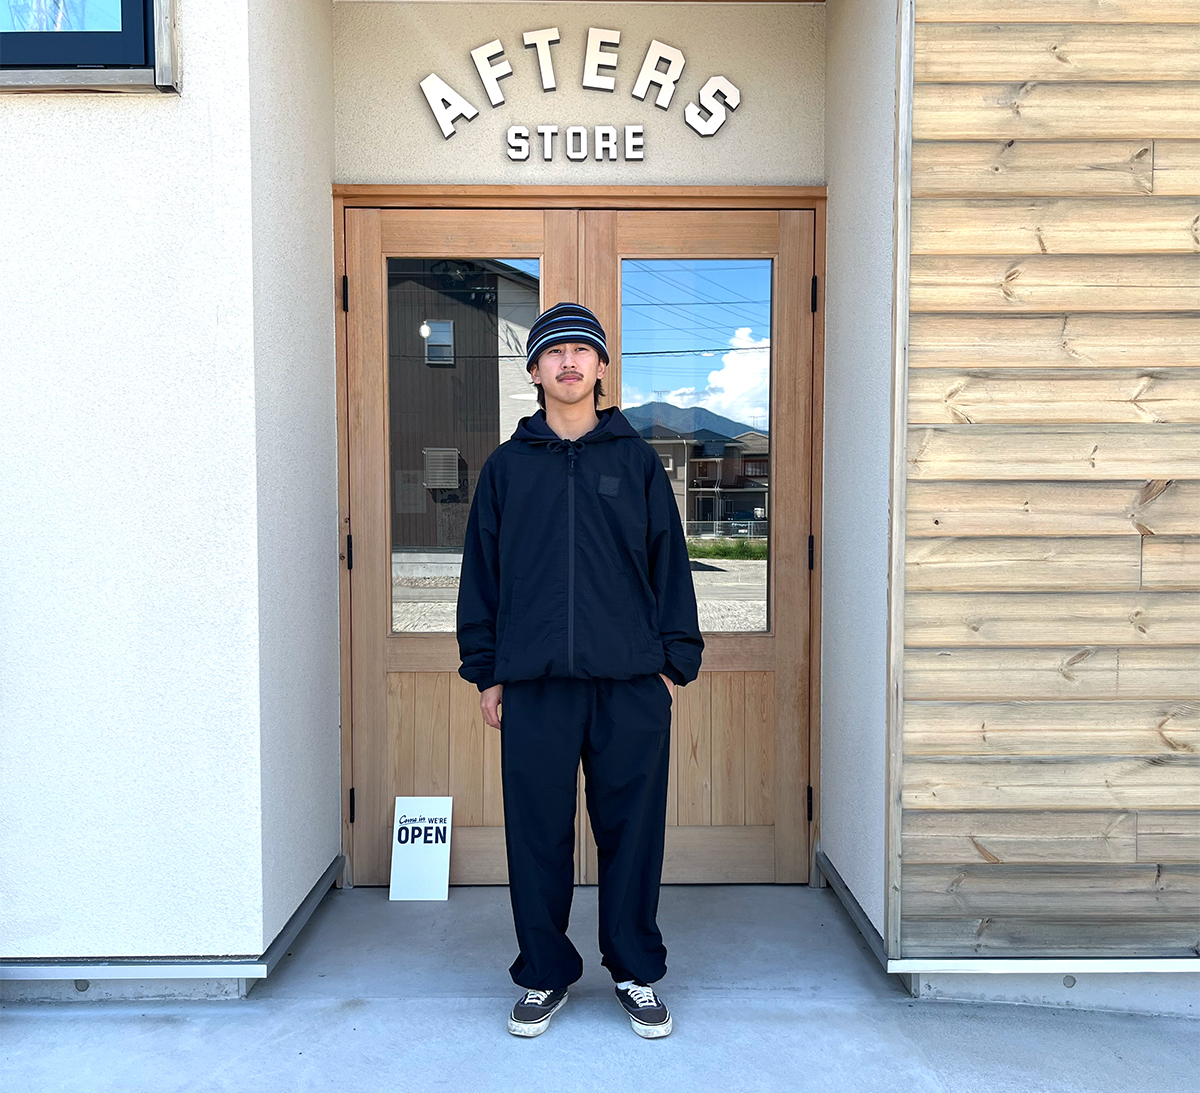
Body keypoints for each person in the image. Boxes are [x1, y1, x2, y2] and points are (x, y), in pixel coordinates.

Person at [456, 301, 704, 1039]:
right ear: (534, 370)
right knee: (537, 835)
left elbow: (670, 567)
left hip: (629, 684)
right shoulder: (507, 469)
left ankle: (633, 968)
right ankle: (544, 971)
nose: (568, 361)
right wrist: (486, 671)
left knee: (633, 833)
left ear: (599, 368)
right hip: (534, 686)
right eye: (554, 350)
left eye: (581, 350)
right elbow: (482, 576)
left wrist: (673, 666)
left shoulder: (636, 462)